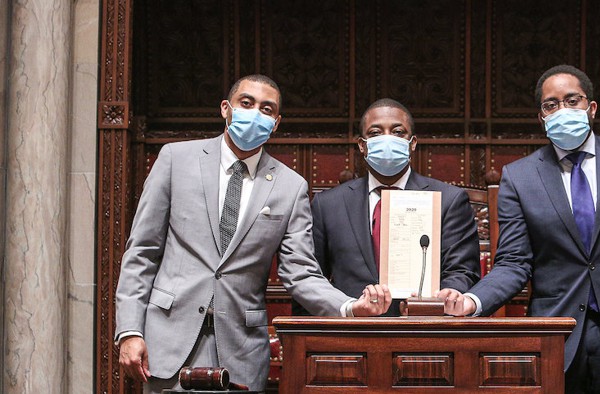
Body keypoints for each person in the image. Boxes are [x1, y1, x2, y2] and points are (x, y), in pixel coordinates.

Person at [114, 75, 392, 393]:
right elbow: (142, 252)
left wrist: (349, 307)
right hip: (168, 341)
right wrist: (130, 330)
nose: (255, 113)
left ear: (275, 123)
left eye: (266, 109)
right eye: (247, 103)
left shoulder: (291, 186)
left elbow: (301, 273)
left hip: (240, 352)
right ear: (226, 108)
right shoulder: (176, 160)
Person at [444, 65, 600, 393]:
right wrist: (472, 301)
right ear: (542, 118)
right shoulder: (520, 177)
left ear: (591, 108)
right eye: (551, 105)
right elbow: (513, 263)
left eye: (572, 100)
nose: (562, 109)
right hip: (556, 342)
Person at [304, 98, 481, 316]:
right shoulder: (328, 204)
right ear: (362, 145)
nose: (387, 139)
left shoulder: (449, 199)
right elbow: (312, 278)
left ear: (412, 143)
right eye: (376, 133)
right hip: (352, 333)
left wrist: (442, 298)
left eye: (398, 132)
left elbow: (462, 271)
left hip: (425, 330)